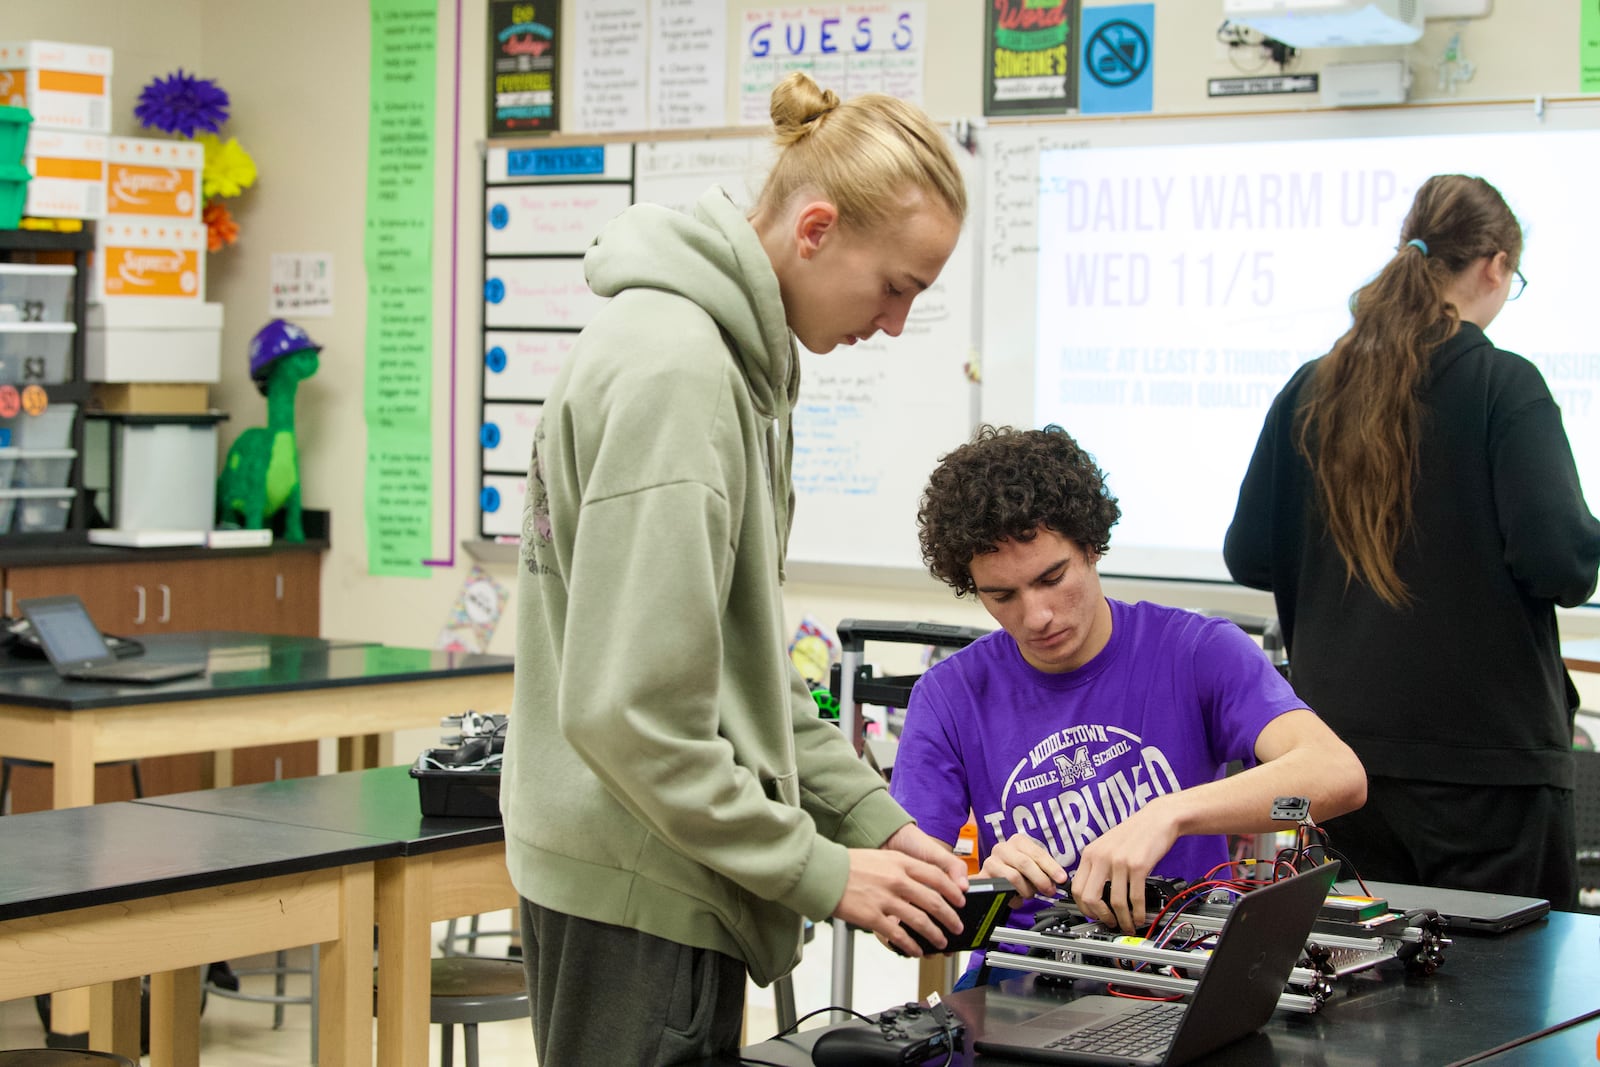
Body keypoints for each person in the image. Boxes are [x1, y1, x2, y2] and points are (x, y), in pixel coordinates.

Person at [500, 72, 973, 1065]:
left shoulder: (726, 362)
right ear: (815, 230)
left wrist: (875, 823)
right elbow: (628, 715)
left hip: (663, 858)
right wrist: (821, 869)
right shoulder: (682, 374)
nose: (894, 324)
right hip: (641, 877)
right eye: (896, 288)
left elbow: (737, 672)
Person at [1224, 174, 1600, 907]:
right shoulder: (1503, 384)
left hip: (1342, 769)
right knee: (1508, 974)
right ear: (1494, 266)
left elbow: (1250, 554)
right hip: (1488, 776)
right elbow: (1560, 562)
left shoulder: (1311, 388)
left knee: (1362, 974)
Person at [890, 424, 1366, 984]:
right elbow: (902, 908)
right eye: (1002, 595)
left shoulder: (1195, 652)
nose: (1037, 616)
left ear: (1091, 546)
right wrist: (987, 885)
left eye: (1053, 578)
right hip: (1023, 977)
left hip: (1180, 971)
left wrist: (1169, 814)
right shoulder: (949, 696)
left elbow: (1338, 776)